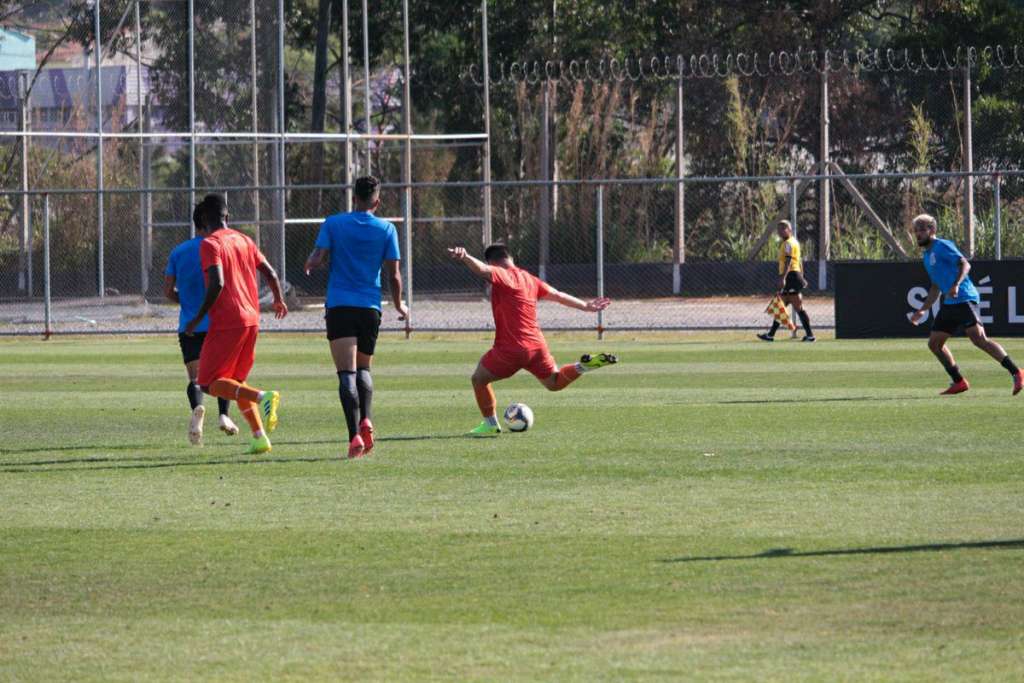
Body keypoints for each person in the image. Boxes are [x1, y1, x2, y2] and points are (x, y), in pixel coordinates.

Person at [447, 243, 616, 436]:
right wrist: (586, 306)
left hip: (511, 348)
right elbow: (557, 295)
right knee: (554, 382)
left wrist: (466, 257)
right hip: (537, 346)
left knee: (479, 379)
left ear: (493, 261)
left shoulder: (503, 274)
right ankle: (583, 366)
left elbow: (483, 270)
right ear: (510, 258)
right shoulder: (530, 279)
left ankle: (490, 424)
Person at [304, 176, 408, 458]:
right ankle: (367, 420)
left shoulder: (334, 223)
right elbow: (394, 275)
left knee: (346, 373)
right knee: (363, 369)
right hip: (370, 307)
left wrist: (311, 264)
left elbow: (319, 255)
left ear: (354, 198)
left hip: (340, 305)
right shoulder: (387, 229)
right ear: (377, 200)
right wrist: (400, 306)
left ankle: (354, 437)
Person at [184, 194, 288, 454]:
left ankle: (264, 397)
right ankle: (259, 437)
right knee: (236, 382)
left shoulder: (210, 244)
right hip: (252, 320)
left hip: (228, 322)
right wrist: (278, 300)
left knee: (208, 383)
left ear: (205, 220)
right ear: (226, 216)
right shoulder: (245, 240)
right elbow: (271, 273)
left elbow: (217, 283)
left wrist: (197, 318)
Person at [908, 213, 1022, 395]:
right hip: (950, 303)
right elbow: (936, 287)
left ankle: (1016, 372)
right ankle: (959, 381)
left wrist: (956, 284)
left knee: (979, 339)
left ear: (932, 230)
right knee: (934, 344)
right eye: (916, 231)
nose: (918, 234)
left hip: (964, 297)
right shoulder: (927, 256)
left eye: (922, 230)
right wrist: (922, 310)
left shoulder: (942, 246)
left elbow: (965, 264)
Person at [164, 205, 239, 445]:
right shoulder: (219, 249)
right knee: (223, 375)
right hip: (218, 323)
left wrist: (185, 301)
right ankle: (224, 415)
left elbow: (167, 291)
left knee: (196, 378)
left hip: (190, 325)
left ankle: (198, 407)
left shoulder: (178, 252)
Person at [758, 220, 815, 342]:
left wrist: (783, 278)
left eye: (782, 229)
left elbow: (789, 261)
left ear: (789, 229)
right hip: (794, 276)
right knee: (782, 306)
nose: (779, 232)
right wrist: (802, 276)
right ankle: (771, 335)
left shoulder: (789, 243)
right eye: (778, 230)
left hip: (791, 277)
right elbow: (799, 260)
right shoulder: (794, 242)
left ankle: (810, 335)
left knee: (795, 306)